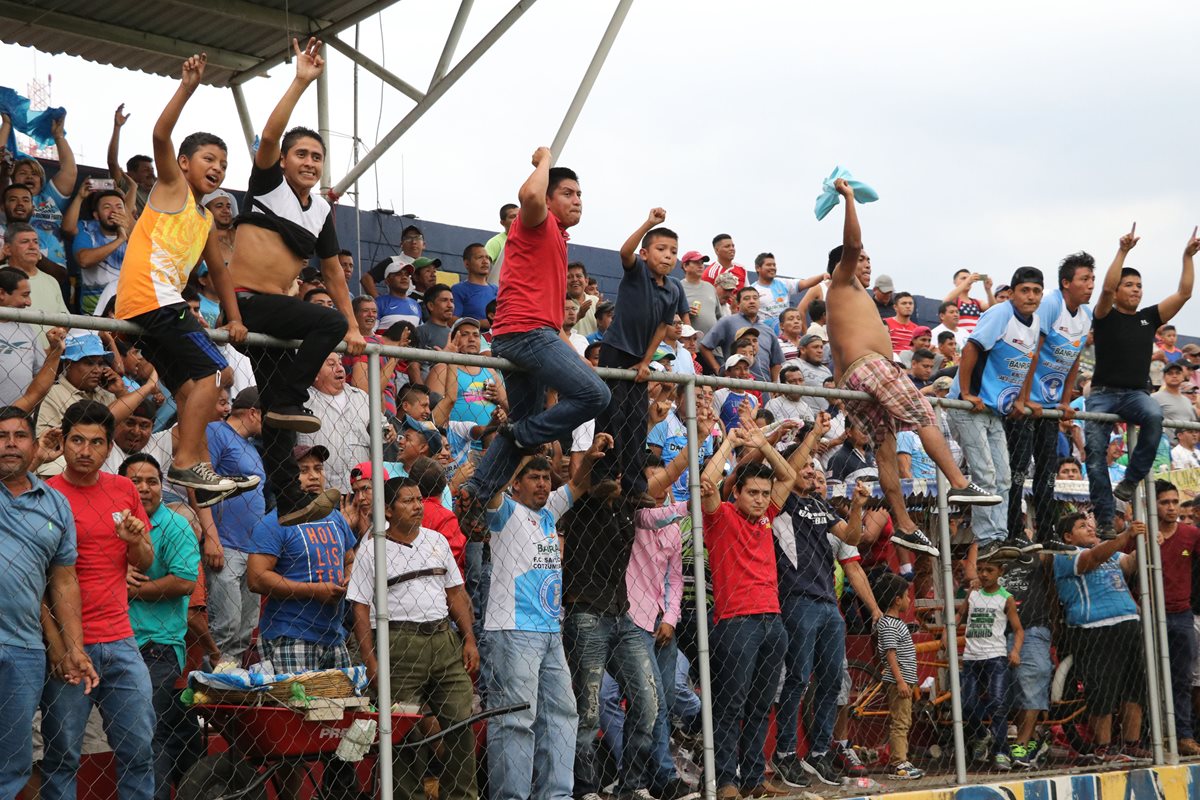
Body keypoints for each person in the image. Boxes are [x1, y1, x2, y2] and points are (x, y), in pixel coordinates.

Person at [226, 38, 364, 525]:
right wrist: (302, 80)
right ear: (284, 161)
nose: (309, 162)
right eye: (301, 154)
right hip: (248, 305)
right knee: (321, 325)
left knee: (279, 427)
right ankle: (291, 396)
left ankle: (288, 501)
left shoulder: (323, 210)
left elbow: (332, 274)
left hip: (276, 319)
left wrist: (354, 326)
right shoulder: (267, 185)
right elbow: (267, 136)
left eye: (316, 157)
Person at [823, 178, 998, 558]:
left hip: (855, 375)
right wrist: (850, 199)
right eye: (863, 260)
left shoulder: (852, 297)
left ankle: (903, 525)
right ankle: (959, 482)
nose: (867, 263)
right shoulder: (841, 280)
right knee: (924, 415)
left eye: (869, 259)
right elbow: (851, 244)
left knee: (885, 450)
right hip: (871, 367)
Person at [112, 53, 255, 503]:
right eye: (209, 158)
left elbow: (220, 273)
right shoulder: (172, 188)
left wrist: (235, 319)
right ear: (184, 163)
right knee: (217, 370)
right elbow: (159, 133)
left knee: (194, 386)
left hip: (153, 305)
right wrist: (187, 87)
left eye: (224, 164)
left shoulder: (204, 219)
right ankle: (190, 463)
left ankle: (196, 470)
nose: (217, 167)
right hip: (154, 299)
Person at [453, 147, 610, 538]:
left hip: (532, 334)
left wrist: (577, 357)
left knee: (524, 428)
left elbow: (555, 323)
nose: (577, 200)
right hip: (525, 334)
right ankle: (521, 434)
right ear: (552, 198)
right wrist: (545, 160)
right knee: (596, 396)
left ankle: (475, 491)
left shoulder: (556, 237)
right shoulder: (536, 220)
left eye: (580, 195)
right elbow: (528, 197)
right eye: (569, 193)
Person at [484, 435, 610, 800]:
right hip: (513, 629)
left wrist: (589, 459)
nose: (542, 483)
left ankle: (556, 795)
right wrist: (511, 446)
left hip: (549, 630)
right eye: (533, 477)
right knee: (516, 720)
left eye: (545, 477)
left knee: (562, 715)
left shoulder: (548, 513)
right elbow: (491, 486)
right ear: (515, 483)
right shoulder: (504, 511)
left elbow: (578, 483)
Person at [42, 400, 155, 800]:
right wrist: (59, 645)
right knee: (61, 757)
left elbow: (145, 560)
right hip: (68, 645)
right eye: (77, 440)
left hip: (121, 640)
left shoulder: (124, 489)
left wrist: (136, 540)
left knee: (139, 751)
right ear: (64, 440)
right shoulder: (46, 493)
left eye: (95, 442)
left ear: (110, 449)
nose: (85, 451)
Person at [349, 476, 478, 800]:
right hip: (398, 643)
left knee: (461, 722)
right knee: (401, 733)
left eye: (419, 499)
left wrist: (469, 639)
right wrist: (371, 661)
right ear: (388, 511)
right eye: (408, 501)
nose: (418, 506)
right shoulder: (371, 547)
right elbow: (360, 608)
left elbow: (456, 593)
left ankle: (461, 796)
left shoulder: (436, 541)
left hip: (442, 639)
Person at [771, 417, 871, 788]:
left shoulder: (822, 507)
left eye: (816, 470)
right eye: (807, 469)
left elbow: (853, 537)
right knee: (797, 678)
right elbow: (790, 468)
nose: (813, 474)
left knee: (832, 680)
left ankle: (818, 753)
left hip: (829, 603)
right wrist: (810, 443)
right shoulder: (781, 503)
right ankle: (784, 754)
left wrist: (858, 506)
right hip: (797, 600)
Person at [700, 426, 797, 799]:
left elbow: (786, 476)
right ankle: (726, 781)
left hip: (773, 621)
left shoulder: (767, 516)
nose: (760, 500)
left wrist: (763, 446)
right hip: (737, 622)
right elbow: (706, 484)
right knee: (730, 707)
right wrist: (730, 443)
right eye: (752, 493)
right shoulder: (721, 517)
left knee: (760, 706)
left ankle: (754, 779)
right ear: (736, 492)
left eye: (763, 494)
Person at [0, 405, 89, 799]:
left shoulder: (55, 505)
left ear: (34, 445)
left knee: (13, 760)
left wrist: (73, 646)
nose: (10, 444)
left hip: (23, 650)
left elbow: (65, 582)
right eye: (1, 436)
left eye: (20, 436)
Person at [1087, 225, 1194, 537]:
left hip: (1136, 393)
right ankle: (1105, 520)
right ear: (1119, 289)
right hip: (1103, 395)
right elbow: (1105, 291)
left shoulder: (1147, 317)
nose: (1136, 289)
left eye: (1139, 285)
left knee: (1154, 415)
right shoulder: (1105, 314)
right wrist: (1123, 251)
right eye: (1129, 284)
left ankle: (1130, 480)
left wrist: (1187, 256)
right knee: (1095, 456)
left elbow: (1184, 293)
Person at [947, 267, 1045, 560]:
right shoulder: (1000, 313)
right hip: (969, 407)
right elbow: (971, 350)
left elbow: (1030, 360)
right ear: (1013, 292)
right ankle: (987, 539)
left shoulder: (1035, 321)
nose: (1030, 296)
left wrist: (1021, 399)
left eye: (1036, 291)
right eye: (1024, 290)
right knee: (985, 474)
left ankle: (1000, 537)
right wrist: (965, 393)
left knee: (1004, 475)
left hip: (994, 411)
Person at [592, 208, 689, 502]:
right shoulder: (637, 273)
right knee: (611, 413)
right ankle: (603, 477)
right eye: (661, 249)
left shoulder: (672, 290)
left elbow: (662, 327)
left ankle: (635, 486)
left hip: (639, 360)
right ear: (646, 253)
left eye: (673, 251)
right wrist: (650, 223)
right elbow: (625, 251)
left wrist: (646, 362)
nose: (668, 256)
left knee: (635, 418)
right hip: (615, 350)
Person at [120, 453, 199, 800]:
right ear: (121, 485)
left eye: (152, 481)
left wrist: (132, 590)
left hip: (158, 647)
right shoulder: (110, 524)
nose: (144, 488)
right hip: (112, 642)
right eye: (135, 481)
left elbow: (183, 582)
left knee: (150, 734)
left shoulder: (176, 526)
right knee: (177, 731)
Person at [247, 443, 357, 672]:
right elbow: (256, 579)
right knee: (298, 706)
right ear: (288, 476)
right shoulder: (275, 522)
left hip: (334, 636)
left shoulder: (335, 518)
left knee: (338, 707)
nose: (314, 476)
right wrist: (314, 591)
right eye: (304, 470)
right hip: (290, 635)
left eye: (318, 468)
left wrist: (348, 579)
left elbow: (349, 559)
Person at [1010, 252, 1094, 549]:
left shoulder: (1086, 316)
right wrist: (1023, 397)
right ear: (1066, 283)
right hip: (1023, 405)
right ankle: (1013, 534)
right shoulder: (1051, 304)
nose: (1091, 285)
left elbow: (1073, 360)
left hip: (1048, 406)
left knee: (1047, 474)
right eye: (1085, 279)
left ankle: (1047, 535)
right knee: (1018, 470)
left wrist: (1065, 401)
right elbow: (1032, 349)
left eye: (1092, 279)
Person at [1053, 512, 1149, 762]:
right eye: (1082, 526)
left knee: (1134, 688)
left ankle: (1131, 744)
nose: (1090, 528)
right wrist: (1126, 534)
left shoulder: (1109, 552)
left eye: (1090, 524)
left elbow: (1128, 564)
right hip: (1094, 628)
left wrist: (1146, 542)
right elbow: (1093, 558)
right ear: (1067, 536)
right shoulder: (1065, 554)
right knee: (1101, 691)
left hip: (1128, 624)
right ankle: (1103, 749)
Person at [204, 386, 267, 664]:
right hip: (226, 542)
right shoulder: (217, 432)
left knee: (244, 630)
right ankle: (209, 687)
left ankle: (229, 688)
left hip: (251, 547)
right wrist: (210, 535)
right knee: (226, 625)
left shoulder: (251, 447)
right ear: (253, 413)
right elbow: (200, 483)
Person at [952, 559, 1022, 771]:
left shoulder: (1005, 598)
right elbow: (960, 614)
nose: (983, 574)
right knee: (967, 704)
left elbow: (1018, 629)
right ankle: (983, 734)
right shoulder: (972, 593)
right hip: (972, 657)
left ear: (1001, 571)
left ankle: (1001, 752)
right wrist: (949, 630)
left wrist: (1015, 650)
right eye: (980, 570)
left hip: (995, 657)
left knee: (997, 704)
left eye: (989, 570)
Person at [1152, 481, 1200, 755]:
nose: (1171, 507)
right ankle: (1151, 737)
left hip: (1181, 615)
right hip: (1148, 614)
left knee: (1182, 679)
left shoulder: (1191, 535)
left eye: (1174, 502)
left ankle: (1183, 736)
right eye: (1164, 502)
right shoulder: (1141, 534)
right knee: (1147, 678)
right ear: (1153, 505)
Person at [873, 572, 925, 779]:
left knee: (904, 720)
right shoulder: (889, 624)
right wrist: (901, 681)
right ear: (897, 600)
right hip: (899, 681)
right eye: (906, 595)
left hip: (904, 680)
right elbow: (890, 654)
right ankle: (899, 764)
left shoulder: (895, 623)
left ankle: (902, 760)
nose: (909, 599)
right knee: (900, 722)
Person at [297, 353, 370, 495]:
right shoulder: (302, 400)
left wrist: (387, 431)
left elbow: (383, 430)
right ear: (314, 373)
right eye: (331, 364)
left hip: (358, 494)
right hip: (318, 493)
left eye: (340, 363)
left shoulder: (361, 397)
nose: (340, 369)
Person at [62, 182, 131, 314]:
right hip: (94, 314)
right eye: (107, 207)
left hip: (129, 309)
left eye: (119, 207)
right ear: (96, 215)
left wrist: (127, 234)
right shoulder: (87, 229)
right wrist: (120, 239)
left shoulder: (136, 233)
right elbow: (84, 260)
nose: (114, 211)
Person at [700, 287, 785, 383]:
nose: (752, 301)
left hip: (764, 388)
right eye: (747, 298)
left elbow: (776, 362)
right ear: (738, 303)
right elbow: (704, 347)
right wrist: (718, 370)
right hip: (736, 384)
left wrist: (774, 386)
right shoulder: (728, 322)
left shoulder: (768, 330)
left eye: (755, 298)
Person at [3, 222, 69, 344]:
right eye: (25, 242)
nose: (32, 246)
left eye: (36, 242)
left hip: (50, 358)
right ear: (7, 249)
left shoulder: (51, 281)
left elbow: (65, 321)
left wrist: (58, 335)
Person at [749, 252, 824, 330]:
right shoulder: (752, 290)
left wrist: (821, 277)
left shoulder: (783, 283)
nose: (772, 267)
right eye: (768, 265)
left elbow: (805, 283)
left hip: (786, 334)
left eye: (774, 265)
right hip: (766, 333)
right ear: (758, 268)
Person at [106, 104, 155, 216]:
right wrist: (117, 127)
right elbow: (112, 162)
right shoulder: (128, 186)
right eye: (146, 170)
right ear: (131, 175)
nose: (151, 173)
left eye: (152, 169)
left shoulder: (159, 189)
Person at [452, 242, 497, 329]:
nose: (485, 261)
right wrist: (483, 323)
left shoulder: (497, 290)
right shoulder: (458, 289)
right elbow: (452, 321)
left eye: (487, 258)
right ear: (467, 264)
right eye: (480, 257)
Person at [680, 250, 723, 333]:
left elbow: (719, 316)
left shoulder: (710, 287)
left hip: (712, 344)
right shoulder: (678, 287)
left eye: (702, 262)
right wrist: (685, 314)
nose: (700, 266)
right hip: (689, 344)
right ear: (685, 266)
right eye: (696, 262)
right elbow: (670, 318)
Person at [375, 262, 423, 330]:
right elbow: (370, 333)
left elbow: (420, 334)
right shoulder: (378, 303)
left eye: (407, 275)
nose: (404, 277)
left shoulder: (415, 304)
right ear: (387, 281)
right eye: (398, 274)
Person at [486, 202, 519, 285]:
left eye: (519, 216)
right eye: (512, 217)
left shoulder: (530, 239)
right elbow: (484, 266)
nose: (517, 219)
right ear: (502, 222)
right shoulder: (495, 242)